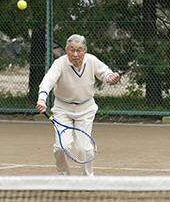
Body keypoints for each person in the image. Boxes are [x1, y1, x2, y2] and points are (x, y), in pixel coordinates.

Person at [35, 34, 120, 176]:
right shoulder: (59, 63)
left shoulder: (92, 60)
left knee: (84, 149)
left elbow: (104, 73)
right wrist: (42, 99)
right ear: (66, 50)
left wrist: (109, 76)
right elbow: (48, 81)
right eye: (71, 50)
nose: (75, 54)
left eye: (79, 50)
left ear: (85, 51)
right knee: (61, 147)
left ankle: (87, 179)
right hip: (62, 109)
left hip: (86, 109)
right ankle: (64, 177)